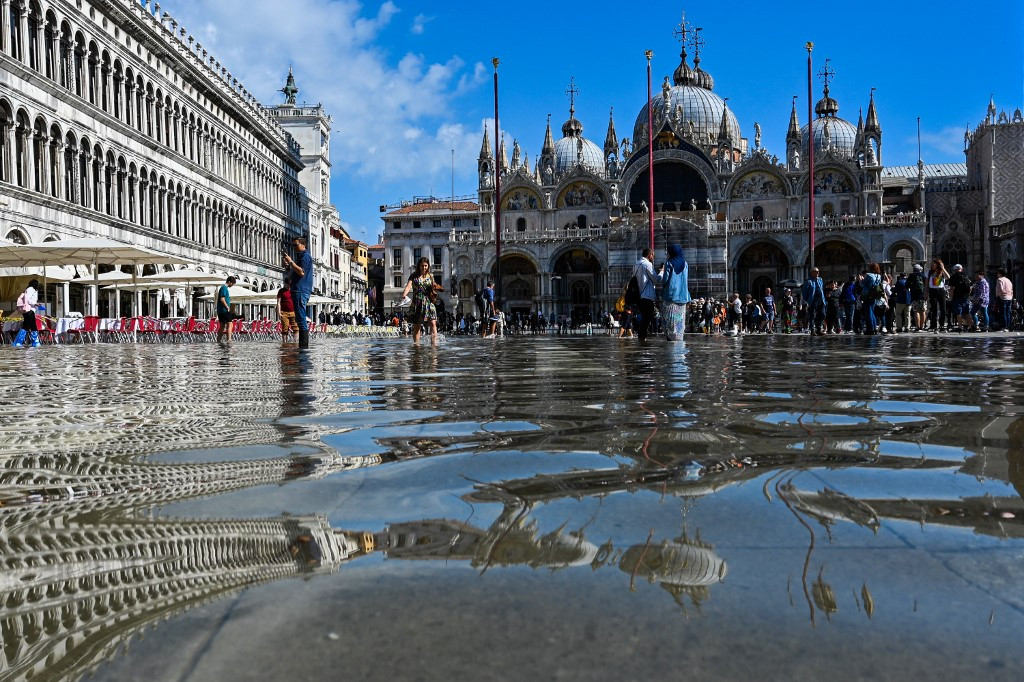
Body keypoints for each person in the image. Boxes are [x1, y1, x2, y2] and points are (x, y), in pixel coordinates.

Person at [401, 257, 442, 343]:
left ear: (428, 266)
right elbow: (408, 286)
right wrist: (404, 294)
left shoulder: (430, 276)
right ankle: (417, 346)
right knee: (417, 326)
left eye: (426, 266)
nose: (424, 267)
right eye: (422, 266)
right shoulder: (413, 276)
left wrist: (436, 287)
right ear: (419, 266)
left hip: (429, 302)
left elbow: (432, 286)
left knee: (433, 323)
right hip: (417, 302)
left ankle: (434, 345)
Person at [284, 237, 313, 348]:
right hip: (298, 290)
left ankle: (303, 349)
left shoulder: (305, 256)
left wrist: (290, 261)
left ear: (303, 245)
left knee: (301, 320)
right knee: (300, 319)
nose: (294, 247)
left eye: (296, 245)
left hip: (301, 290)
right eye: (293, 245)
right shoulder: (300, 257)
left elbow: (301, 272)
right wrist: (288, 265)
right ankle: (303, 348)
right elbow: (295, 272)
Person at [659, 243, 691, 341]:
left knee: (670, 320)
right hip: (683, 296)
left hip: (671, 295)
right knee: (679, 320)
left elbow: (665, 280)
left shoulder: (669, 263)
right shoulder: (685, 263)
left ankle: (671, 339)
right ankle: (679, 339)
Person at [633, 248, 657, 341]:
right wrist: (662, 271)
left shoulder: (636, 264)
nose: (653, 257)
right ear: (650, 255)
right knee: (647, 317)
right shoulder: (647, 264)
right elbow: (656, 279)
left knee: (644, 317)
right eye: (653, 255)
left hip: (639, 295)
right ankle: (642, 337)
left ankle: (642, 337)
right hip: (647, 295)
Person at [12, 279, 41, 348]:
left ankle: (35, 342)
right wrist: (35, 303)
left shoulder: (32, 290)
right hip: (28, 310)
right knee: (26, 326)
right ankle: (18, 342)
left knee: (33, 325)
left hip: (31, 310)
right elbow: (27, 299)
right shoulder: (30, 289)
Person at [927, 258, 950, 332]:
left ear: (937, 265)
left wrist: (943, 268)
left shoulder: (942, 272)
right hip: (932, 290)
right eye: (932, 264)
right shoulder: (929, 272)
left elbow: (948, 277)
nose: (932, 265)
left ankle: (942, 325)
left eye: (934, 264)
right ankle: (933, 325)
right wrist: (926, 292)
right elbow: (927, 283)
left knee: (943, 309)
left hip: (941, 290)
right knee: (934, 309)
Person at [801, 267, 826, 335]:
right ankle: (812, 330)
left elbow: (822, 289)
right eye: (816, 271)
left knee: (822, 314)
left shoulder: (820, 279)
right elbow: (804, 292)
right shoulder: (808, 281)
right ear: (811, 273)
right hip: (813, 300)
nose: (818, 273)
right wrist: (808, 300)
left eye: (818, 271)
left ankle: (819, 329)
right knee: (812, 315)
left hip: (821, 300)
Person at [861, 263, 883, 335]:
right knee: (872, 312)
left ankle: (870, 329)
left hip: (868, 295)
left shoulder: (869, 275)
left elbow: (863, 284)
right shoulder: (879, 276)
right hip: (875, 295)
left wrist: (861, 280)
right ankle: (874, 329)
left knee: (869, 312)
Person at [948, 264, 972, 332]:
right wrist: (967, 295)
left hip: (956, 297)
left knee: (959, 313)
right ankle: (970, 327)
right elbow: (970, 288)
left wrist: (951, 298)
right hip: (965, 297)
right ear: (961, 269)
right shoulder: (966, 276)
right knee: (967, 313)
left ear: (954, 270)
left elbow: (951, 288)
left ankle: (960, 327)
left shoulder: (953, 277)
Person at [215, 275, 236, 345]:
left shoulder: (223, 288)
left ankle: (218, 340)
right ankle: (229, 340)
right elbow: (222, 299)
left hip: (220, 310)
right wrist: (227, 307)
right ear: (229, 282)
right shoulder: (224, 288)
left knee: (222, 326)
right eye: (232, 284)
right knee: (230, 324)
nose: (232, 285)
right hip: (224, 310)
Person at [907, 263, 927, 331]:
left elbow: (906, 285)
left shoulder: (911, 276)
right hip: (922, 295)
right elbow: (926, 285)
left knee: (916, 311)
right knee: (923, 311)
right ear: (920, 270)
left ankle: (918, 327)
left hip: (914, 295)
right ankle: (922, 326)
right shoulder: (923, 276)